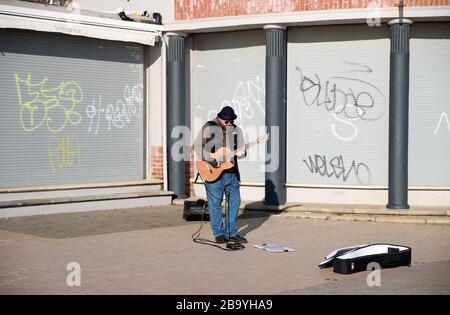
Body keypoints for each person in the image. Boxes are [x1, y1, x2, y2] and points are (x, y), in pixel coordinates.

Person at [194, 106, 248, 244]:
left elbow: (241, 151)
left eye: (231, 121)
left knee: (234, 203)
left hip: (231, 172)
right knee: (215, 204)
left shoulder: (237, 131)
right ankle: (219, 233)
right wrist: (210, 159)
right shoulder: (209, 127)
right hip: (214, 172)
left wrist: (243, 153)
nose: (229, 124)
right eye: (226, 121)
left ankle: (232, 233)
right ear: (220, 118)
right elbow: (197, 146)